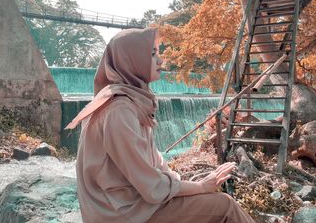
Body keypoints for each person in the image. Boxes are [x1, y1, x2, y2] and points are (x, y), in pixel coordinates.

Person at [66, 28, 255, 223]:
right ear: (131, 60)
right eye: (152, 53)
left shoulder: (130, 101)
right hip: (123, 214)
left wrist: (189, 185)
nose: (160, 60)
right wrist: (200, 186)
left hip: (131, 205)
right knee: (224, 206)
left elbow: (154, 164)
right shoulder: (119, 111)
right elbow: (152, 186)